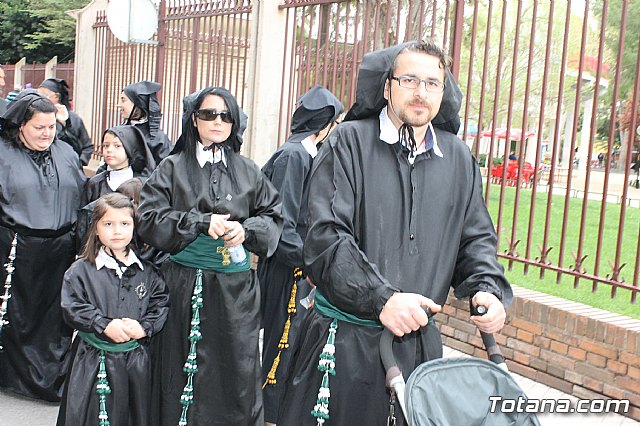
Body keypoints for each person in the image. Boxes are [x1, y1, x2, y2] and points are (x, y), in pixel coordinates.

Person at [277, 40, 513, 425]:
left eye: (432, 83)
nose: (421, 92)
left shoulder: (458, 158)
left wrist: (486, 286)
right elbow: (325, 238)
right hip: (345, 345)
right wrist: (383, 299)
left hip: (419, 352)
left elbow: (475, 238)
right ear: (387, 87)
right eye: (409, 80)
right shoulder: (347, 142)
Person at [137, 86, 283, 425]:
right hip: (182, 284)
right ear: (194, 120)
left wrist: (246, 231)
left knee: (236, 368)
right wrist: (200, 222)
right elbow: (148, 218)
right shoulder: (172, 168)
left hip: (236, 291)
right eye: (209, 114)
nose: (217, 121)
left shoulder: (249, 171)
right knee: (177, 365)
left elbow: (274, 216)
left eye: (225, 115)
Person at [257, 84, 342, 425]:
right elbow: (283, 221)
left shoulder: (306, 153)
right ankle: (271, 416)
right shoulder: (294, 155)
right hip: (289, 269)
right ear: (323, 125)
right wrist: (309, 263)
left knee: (294, 344)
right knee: (282, 344)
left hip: (299, 266)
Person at [0, 93, 87, 401]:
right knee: (20, 315)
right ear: (21, 125)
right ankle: (15, 376)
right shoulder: (2, 153)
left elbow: (82, 199)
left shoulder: (66, 152)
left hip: (62, 247)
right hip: (16, 247)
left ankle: (52, 375)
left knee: (54, 318)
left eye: (52, 126)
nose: (47, 133)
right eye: (39, 127)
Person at [57, 192, 170, 426]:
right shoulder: (80, 271)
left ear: (134, 227)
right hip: (91, 362)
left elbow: (160, 304)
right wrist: (103, 323)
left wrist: (144, 327)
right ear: (96, 228)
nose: (117, 231)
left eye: (125, 224)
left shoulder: (148, 272)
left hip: (134, 364)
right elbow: (72, 306)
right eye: (108, 224)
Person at [77, 125, 156, 250]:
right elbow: (84, 223)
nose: (109, 150)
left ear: (130, 148)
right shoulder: (95, 183)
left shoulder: (141, 185)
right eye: (105, 146)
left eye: (117, 146)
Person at [38, 78, 93, 166]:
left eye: (44, 94)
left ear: (56, 96)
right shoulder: (37, 117)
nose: (40, 97)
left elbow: (87, 147)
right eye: (38, 94)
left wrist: (79, 164)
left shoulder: (73, 118)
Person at [118, 81, 172, 165]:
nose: (119, 105)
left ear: (138, 103)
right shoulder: (119, 132)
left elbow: (165, 170)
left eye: (123, 100)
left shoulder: (159, 139)